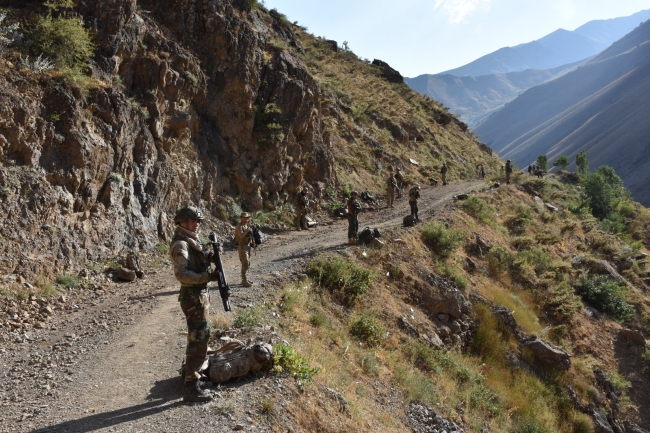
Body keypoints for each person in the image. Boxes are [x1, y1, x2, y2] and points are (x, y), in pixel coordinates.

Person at [170, 206, 219, 402]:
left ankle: (193, 376)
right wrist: (206, 276)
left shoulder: (191, 240)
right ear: (182, 222)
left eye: (197, 221)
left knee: (201, 337)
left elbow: (195, 262)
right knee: (197, 339)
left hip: (198, 295)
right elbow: (181, 274)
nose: (196, 224)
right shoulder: (181, 244)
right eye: (192, 221)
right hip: (192, 296)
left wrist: (208, 258)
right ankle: (191, 386)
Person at [235, 212, 256, 287]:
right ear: (241, 218)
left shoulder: (246, 226)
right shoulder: (239, 226)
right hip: (242, 247)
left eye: (247, 218)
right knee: (245, 263)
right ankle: (244, 280)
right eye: (244, 217)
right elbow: (241, 236)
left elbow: (249, 236)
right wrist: (247, 230)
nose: (246, 219)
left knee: (248, 263)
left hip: (247, 246)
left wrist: (252, 243)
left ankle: (245, 279)